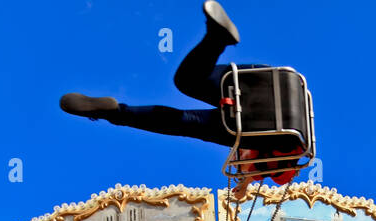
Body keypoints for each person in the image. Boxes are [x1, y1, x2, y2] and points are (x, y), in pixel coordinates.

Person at [59, 2, 305, 198]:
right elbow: (279, 170)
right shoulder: (273, 158)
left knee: (187, 87)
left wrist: (245, 182)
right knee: (185, 122)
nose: (236, 162)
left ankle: (216, 39)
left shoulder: (249, 143)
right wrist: (246, 182)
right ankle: (116, 113)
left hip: (260, 82)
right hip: (264, 114)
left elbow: (260, 168)